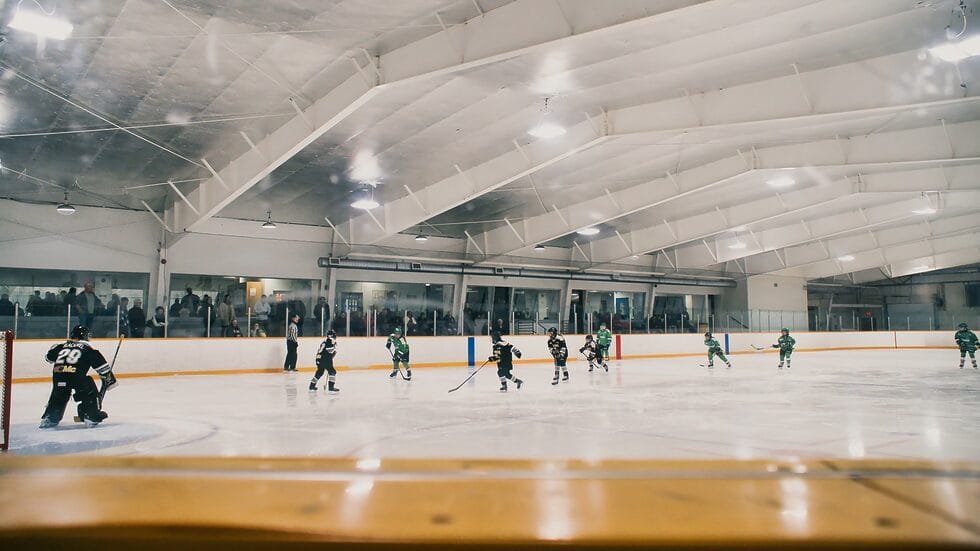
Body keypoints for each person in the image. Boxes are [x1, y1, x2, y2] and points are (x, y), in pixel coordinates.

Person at [39, 325, 115, 428]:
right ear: (84, 336)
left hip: (59, 375)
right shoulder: (88, 349)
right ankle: (91, 415)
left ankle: (50, 417)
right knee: (88, 386)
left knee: (59, 394)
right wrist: (109, 380)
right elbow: (102, 368)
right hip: (76, 376)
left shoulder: (61, 346)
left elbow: (49, 358)